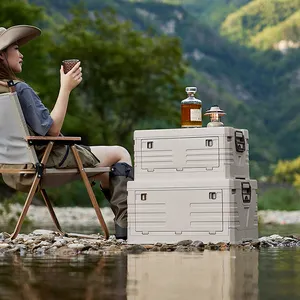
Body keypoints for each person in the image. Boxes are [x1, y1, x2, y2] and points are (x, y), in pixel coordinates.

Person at [0, 25, 133, 240]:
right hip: (46, 162)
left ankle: (122, 226)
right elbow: (52, 129)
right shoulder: (19, 89)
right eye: (16, 48)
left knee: (105, 169)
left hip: (12, 172)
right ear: (1, 55)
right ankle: (126, 226)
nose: (21, 53)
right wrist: (66, 87)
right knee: (120, 154)